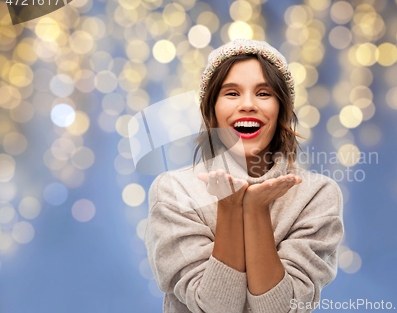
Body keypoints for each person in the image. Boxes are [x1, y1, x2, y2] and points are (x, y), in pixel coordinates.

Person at [144, 38, 344, 313]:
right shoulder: (173, 191)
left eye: (263, 93)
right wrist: (229, 207)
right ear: (210, 111)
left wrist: (255, 211)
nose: (248, 105)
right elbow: (213, 308)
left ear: (282, 110)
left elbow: (279, 310)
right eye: (232, 93)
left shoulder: (317, 195)